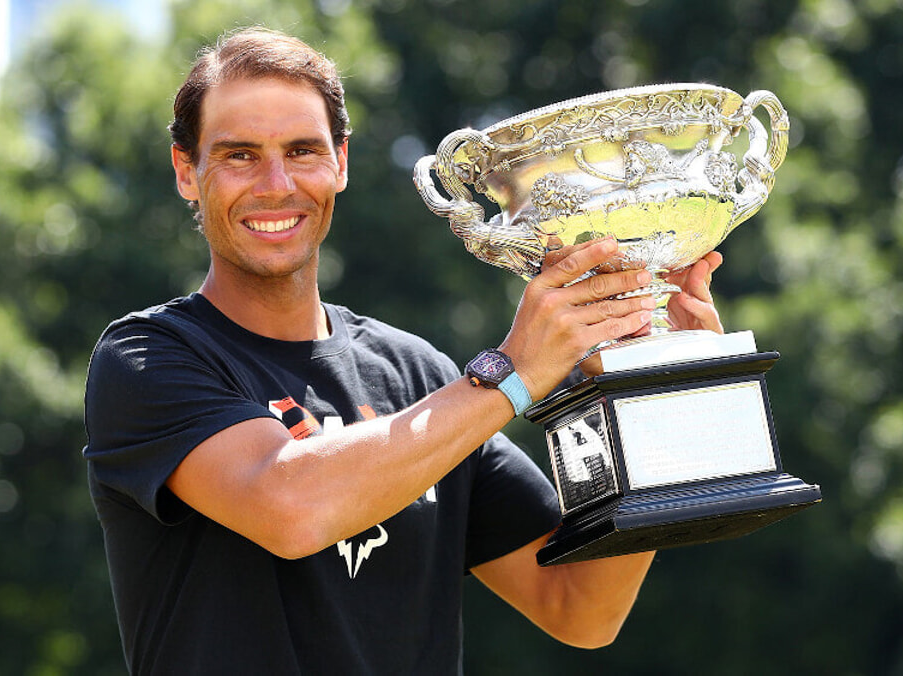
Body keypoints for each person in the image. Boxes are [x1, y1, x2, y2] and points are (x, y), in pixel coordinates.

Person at [83, 25, 725, 675]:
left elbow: (581, 609)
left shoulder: (420, 375)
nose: (275, 184)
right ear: (186, 171)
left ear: (341, 161)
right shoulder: (147, 359)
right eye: (240, 155)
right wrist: (513, 373)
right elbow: (290, 509)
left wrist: (645, 400)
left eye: (302, 150)